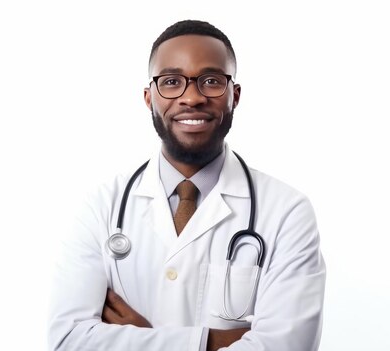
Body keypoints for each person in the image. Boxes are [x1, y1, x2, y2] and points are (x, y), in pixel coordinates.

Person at [47, 19, 326, 351]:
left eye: (210, 81)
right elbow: (68, 341)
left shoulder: (286, 212)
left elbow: (288, 347)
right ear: (149, 97)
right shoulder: (101, 207)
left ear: (234, 96)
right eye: (171, 81)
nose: (192, 97)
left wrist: (140, 335)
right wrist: (213, 341)